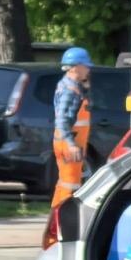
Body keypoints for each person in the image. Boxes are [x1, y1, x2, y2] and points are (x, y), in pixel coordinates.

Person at [51, 46, 93, 210]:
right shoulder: (70, 90)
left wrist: (86, 88)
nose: (88, 69)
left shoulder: (67, 84)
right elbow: (61, 120)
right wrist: (71, 144)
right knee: (70, 186)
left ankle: (54, 223)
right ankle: (63, 224)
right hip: (70, 143)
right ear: (76, 67)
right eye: (86, 65)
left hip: (65, 141)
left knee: (64, 184)